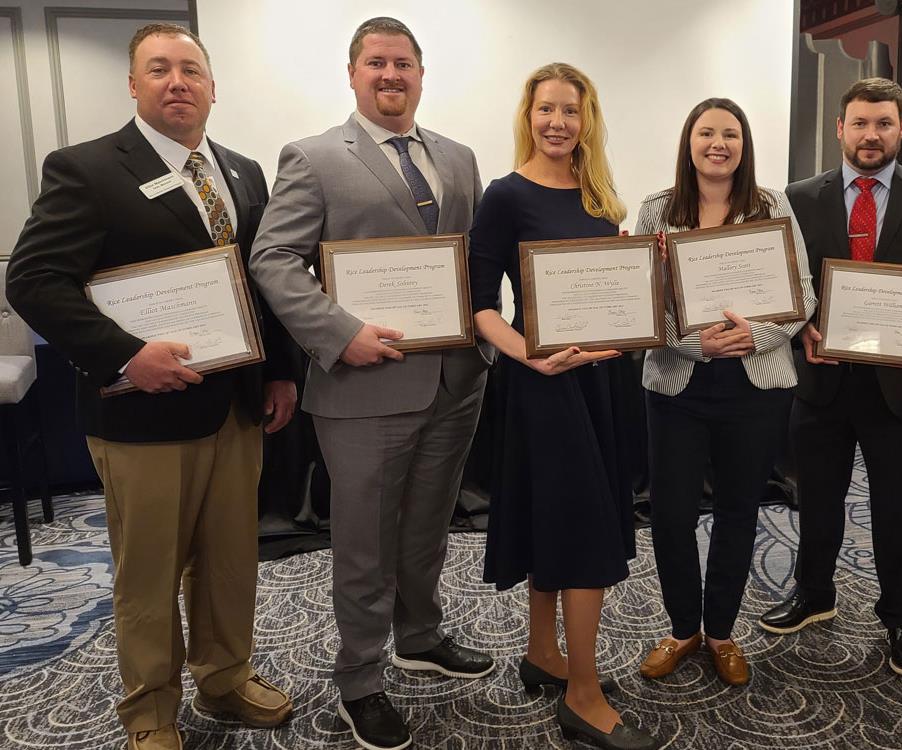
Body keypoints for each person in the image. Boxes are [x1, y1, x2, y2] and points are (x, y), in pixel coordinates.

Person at [5, 23, 299, 750]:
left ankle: (226, 678)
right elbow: (34, 280)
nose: (178, 82)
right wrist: (128, 356)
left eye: (191, 70)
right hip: (141, 411)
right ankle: (149, 713)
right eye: (159, 69)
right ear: (133, 85)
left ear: (211, 87)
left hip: (233, 404)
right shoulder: (86, 167)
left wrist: (284, 369)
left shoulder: (242, 170)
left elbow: (263, 279)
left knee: (231, 560)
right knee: (149, 574)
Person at [248, 17, 494, 750]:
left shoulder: (458, 157)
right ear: (353, 73)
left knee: (427, 529)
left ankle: (420, 636)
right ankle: (361, 680)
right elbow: (273, 260)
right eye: (377, 64)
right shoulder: (315, 156)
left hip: (455, 379)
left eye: (405, 64)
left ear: (422, 74)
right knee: (363, 545)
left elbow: (473, 262)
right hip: (362, 389)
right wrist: (337, 332)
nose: (392, 76)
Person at [759, 78, 902, 678]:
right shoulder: (799, 197)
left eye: (883, 123)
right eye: (859, 122)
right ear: (840, 127)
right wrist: (801, 327)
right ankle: (814, 594)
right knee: (818, 500)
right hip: (824, 379)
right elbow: (786, 285)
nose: (870, 134)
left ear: (901, 128)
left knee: (899, 509)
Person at [467, 63, 660, 750]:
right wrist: (532, 355)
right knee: (579, 530)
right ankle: (581, 695)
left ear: (588, 118)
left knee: (569, 514)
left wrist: (628, 333)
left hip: (602, 384)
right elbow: (480, 306)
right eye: (546, 109)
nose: (557, 122)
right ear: (529, 114)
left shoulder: (601, 197)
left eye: (570, 111)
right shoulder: (504, 196)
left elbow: (622, 298)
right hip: (543, 385)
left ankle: (544, 654)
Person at [634, 98, 816, 687]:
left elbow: (804, 295)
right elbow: (640, 307)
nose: (719, 143)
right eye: (706, 132)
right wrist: (694, 346)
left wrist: (755, 334)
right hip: (678, 382)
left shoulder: (771, 206)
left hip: (755, 384)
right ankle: (683, 627)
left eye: (730, 134)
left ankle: (720, 632)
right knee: (671, 512)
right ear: (688, 141)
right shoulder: (657, 210)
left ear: (744, 144)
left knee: (740, 509)